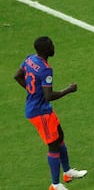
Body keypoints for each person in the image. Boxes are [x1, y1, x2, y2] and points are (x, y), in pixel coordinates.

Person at [14, 36, 87, 190]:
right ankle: (55, 184)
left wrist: (31, 92)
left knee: (60, 136)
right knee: (53, 146)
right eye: (51, 45)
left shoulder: (29, 59)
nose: (54, 47)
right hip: (40, 113)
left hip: (42, 109)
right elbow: (49, 95)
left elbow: (17, 76)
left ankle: (67, 172)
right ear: (46, 50)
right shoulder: (46, 69)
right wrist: (68, 90)